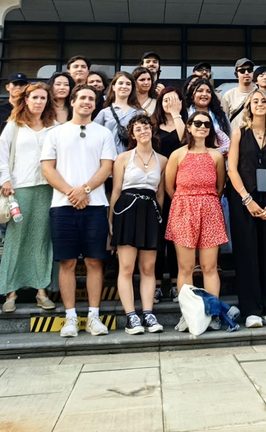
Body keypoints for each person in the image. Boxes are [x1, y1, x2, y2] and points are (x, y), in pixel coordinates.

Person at [41, 85, 118, 337]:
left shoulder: (103, 133)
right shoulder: (55, 133)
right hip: (63, 206)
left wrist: (84, 190)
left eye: (91, 99)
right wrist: (72, 193)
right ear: (72, 101)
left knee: (95, 261)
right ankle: (71, 318)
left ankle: (94, 317)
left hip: (95, 205)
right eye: (82, 97)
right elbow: (48, 169)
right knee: (68, 262)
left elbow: (107, 167)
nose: (87, 102)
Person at [0, 83, 56, 313]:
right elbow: (2, 156)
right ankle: (10, 293)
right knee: (16, 239)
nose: (39, 102)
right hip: (19, 188)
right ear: (26, 100)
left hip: (48, 189)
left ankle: (41, 291)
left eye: (43, 98)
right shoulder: (14, 125)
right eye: (35, 97)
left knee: (42, 240)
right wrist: (5, 180)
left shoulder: (54, 127)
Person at [227, 90, 266, 328]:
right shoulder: (239, 132)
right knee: (247, 253)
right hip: (244, 199)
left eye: (264, 101)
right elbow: (232, 169)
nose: (260, 104)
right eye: (255, 101)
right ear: (248, 107)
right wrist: (246, 199)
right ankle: (251, 310)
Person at [109, 114, 167, 333]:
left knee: (148, 267)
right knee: (126, 266)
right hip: (126, 210)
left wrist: (158, 219)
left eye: (146, 127)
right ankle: (131, 316)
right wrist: (111, 220)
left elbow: (160, 194)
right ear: (132, 135)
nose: (143, 131)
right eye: (138, 129)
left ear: (152, 130)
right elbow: (116, 190)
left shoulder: (163, 160)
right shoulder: (122, 158)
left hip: (150, 211)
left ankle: (149, 313)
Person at [164, 111, 227, 303]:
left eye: (207, 124)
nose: (202, 127)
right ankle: (189, 312)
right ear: (189, 127)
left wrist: (205, 202)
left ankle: (213, 310)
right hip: (183, 210)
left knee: (210, 266)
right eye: (198, 123)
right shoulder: (177, 154)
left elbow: (220, 187)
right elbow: (169, 186)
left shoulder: (216, 155)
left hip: (210, 211)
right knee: (186, 267)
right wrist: (185, 202)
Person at [152, 87, 186, 302]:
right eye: (166, 100)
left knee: (176, 237)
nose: (170, 103)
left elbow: (186, 142)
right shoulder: (153, 126)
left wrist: (176, 114)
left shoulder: (186, 124)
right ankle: (156, 284)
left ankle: (175, 283)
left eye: (174, 100)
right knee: (156, 237)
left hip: (180, 187)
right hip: (156, 186)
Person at [0, 73, 29, 169]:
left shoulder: (30, 109)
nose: (18, 87)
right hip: (2, 156)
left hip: (24, 156)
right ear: (7, 87)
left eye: (22, 85)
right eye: (15, 84)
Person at [94, 71, 142, 154]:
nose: (124, 86)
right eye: (120, 83)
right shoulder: (104, 113)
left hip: (131, 157)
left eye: (128, 84)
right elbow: (94, 136)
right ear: (113, 87)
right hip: (108, 156)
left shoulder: (139, 113)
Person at [187, 78, 231, 154]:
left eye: (208, 91)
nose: (204, 94)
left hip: (219, 156)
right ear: (192, 94)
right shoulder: (185, 113)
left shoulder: (221, 115)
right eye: (200, 91)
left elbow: (230, 135)